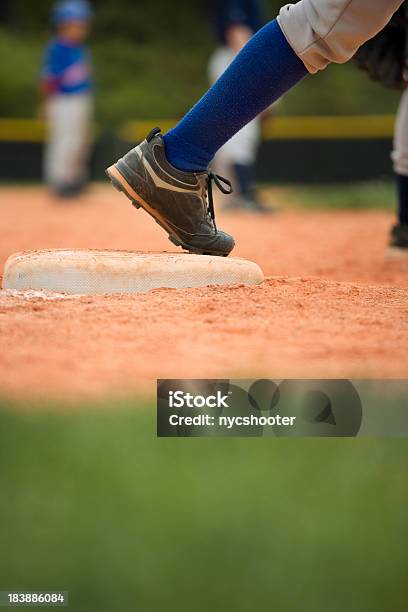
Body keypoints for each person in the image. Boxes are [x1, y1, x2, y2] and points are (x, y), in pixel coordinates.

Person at [107, 0, 405, 257]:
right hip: (236, 53)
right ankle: (179, 159)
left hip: (244, 53)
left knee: (324, 23)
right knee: (321, 23)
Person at [209, 1, 266, 212]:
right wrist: (255, 69)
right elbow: (236, 29)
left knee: (237, 129)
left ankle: (238, 193)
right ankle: (242, 193)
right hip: (238, 56)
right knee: (241, 131)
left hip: (237, 55)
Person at [41, 0, 93, 199]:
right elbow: (48, 78)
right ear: (62, 25)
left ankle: (74, 179)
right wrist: (47, 102)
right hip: (62, 99)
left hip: (80, 98)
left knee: (79, 140)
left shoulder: (79, 48)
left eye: (82, 25)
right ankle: (58, 180)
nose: (79, 29)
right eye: (74, 25)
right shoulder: (57, 47)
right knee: (63, 140)